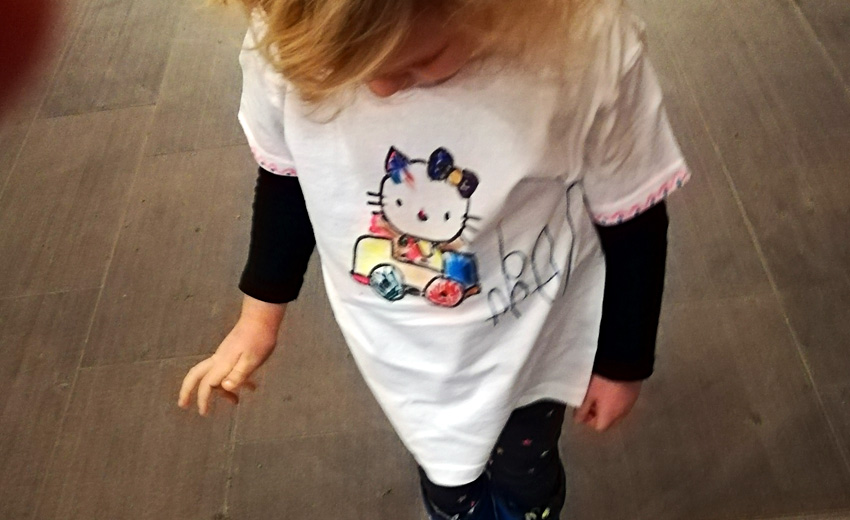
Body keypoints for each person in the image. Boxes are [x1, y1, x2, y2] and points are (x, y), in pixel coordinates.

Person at [178, 0, 689, 518]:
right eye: (345, 71)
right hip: (398, 348)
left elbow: (634, 217)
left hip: (530, 336)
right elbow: (287, 180)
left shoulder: (585, 47)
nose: (380, 88)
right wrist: (258, 319)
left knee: (525, 467)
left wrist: (623, 362)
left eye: (419, 62)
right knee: (445, 474)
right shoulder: (288, 38)